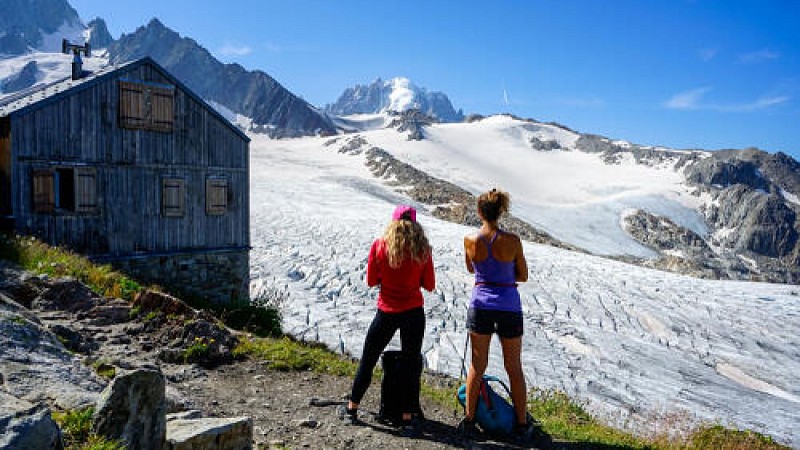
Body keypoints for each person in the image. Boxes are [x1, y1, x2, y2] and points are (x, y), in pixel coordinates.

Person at [339, 205, 435, 429]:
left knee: (369, 359)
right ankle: (407, 418)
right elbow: (429, 285)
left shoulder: (379, 246)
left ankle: (352, 408)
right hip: (413, 312)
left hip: (387, 311)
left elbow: (371, 280)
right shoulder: (423, 250)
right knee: (411, 365)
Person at [459, 188, 533, 440]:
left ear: (479, 212)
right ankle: (522, 425)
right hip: (509, 306)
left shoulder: (470, 240)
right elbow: (523, 275)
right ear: (501, 211)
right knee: (514, 367)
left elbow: (472, 268)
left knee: (477, 366)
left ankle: (469, 421)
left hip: (481, 305)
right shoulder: (512, 241)